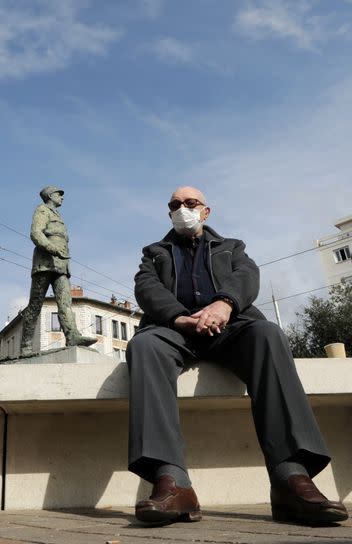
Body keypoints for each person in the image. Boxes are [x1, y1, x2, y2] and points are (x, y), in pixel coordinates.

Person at [127, 186, 348, 525]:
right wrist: (179, 317)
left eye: (190, 203)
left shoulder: (232, 247)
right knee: (144, 345)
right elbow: (147, 288)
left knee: (267, 334)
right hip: (175, 330)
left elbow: (247, 276)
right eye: (175, 204)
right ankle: (172, 482)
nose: (182, 209)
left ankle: (290, 477)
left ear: (206, 211)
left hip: (230, 326)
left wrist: (224, 303)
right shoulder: (154, 252)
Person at [20, 185, 96, 357]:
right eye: (58, 194)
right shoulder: (42, 210)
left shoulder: (58, 216)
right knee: (35, 305)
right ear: (49, 196)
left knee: (65, 303)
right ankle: (26, 346)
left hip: (61, 266)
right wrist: (52, 248)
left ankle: (72, 336)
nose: (62, 197)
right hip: (44, 264)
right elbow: (35, 233)